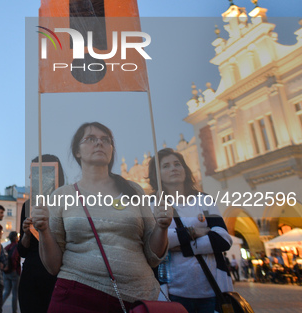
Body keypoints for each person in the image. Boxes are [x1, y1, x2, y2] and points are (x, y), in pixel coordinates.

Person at [33, 122, 171, 313]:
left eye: (105, 140)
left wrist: (162, 227)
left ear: (111, 150)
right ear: (77, 151)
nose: (99, 143)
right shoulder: (61, 195)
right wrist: (44, 230)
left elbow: (153, 257)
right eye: (90, 139)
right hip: (76, 295)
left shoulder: (133, 190)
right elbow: (53, 266)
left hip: (138, 298)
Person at [148, 147, 232, 313]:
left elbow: (223, 239)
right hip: (172, 293)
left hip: (212, 290)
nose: (173, 168)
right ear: (157, 175)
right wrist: (195, 232)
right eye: (166, 166)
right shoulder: (152, 204)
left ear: (185, 169)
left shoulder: (204, 200)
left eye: (177, 164)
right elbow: (154, 244)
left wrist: (181, 245)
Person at [17, 155, 62, 313]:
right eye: (31, 173)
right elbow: (22, 251)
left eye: (35, 173)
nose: (30, 177)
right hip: (31, 278)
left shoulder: (65, 203)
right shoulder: (28, 205)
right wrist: (26, 234)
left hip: (57, 279)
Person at [2, 231, 21, 313]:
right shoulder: (17, 247)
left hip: (6, 272)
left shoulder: (6, 247)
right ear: (15, 238)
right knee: (15, 293)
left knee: (6, 291)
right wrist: (16, 270)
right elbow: (15, 258)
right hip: (14, 272)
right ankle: (14, 311)